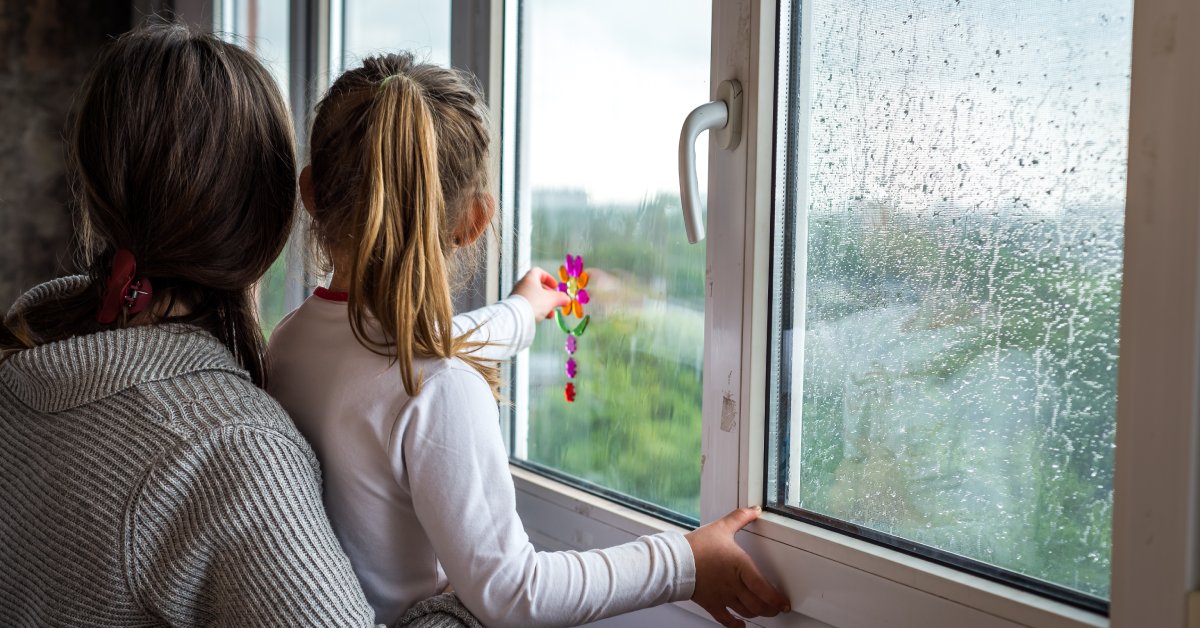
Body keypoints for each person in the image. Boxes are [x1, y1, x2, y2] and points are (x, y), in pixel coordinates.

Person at [266, 52, 791, 628]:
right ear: (475, 221)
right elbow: (515, 594)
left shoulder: (290, 342)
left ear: (311, 193)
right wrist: (684, 563)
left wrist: (521, 312)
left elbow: (414, 352)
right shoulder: (438, 390)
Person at [0, 24, 387, 626]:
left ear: (97, 184)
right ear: (268, 215)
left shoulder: (29, 338)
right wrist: (458, 606)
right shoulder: (229, 450)